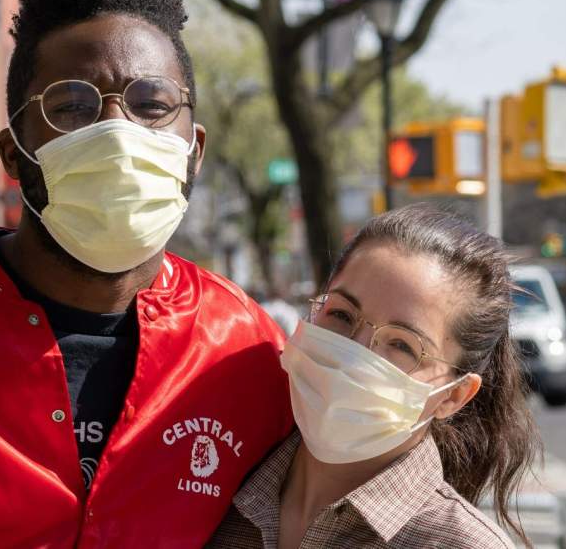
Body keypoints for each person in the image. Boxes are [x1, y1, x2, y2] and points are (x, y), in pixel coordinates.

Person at [0, 0, 293, 547]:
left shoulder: (249, 352)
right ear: (14, 155)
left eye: (153, 103)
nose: (118, 131)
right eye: (72, 107)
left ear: (195, 150)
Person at [208, 204, 541, 549]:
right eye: (340, 313)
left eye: (402, 345)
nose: (355, 353)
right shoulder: (211, 489)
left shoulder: (458, 544)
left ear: (453, 396)